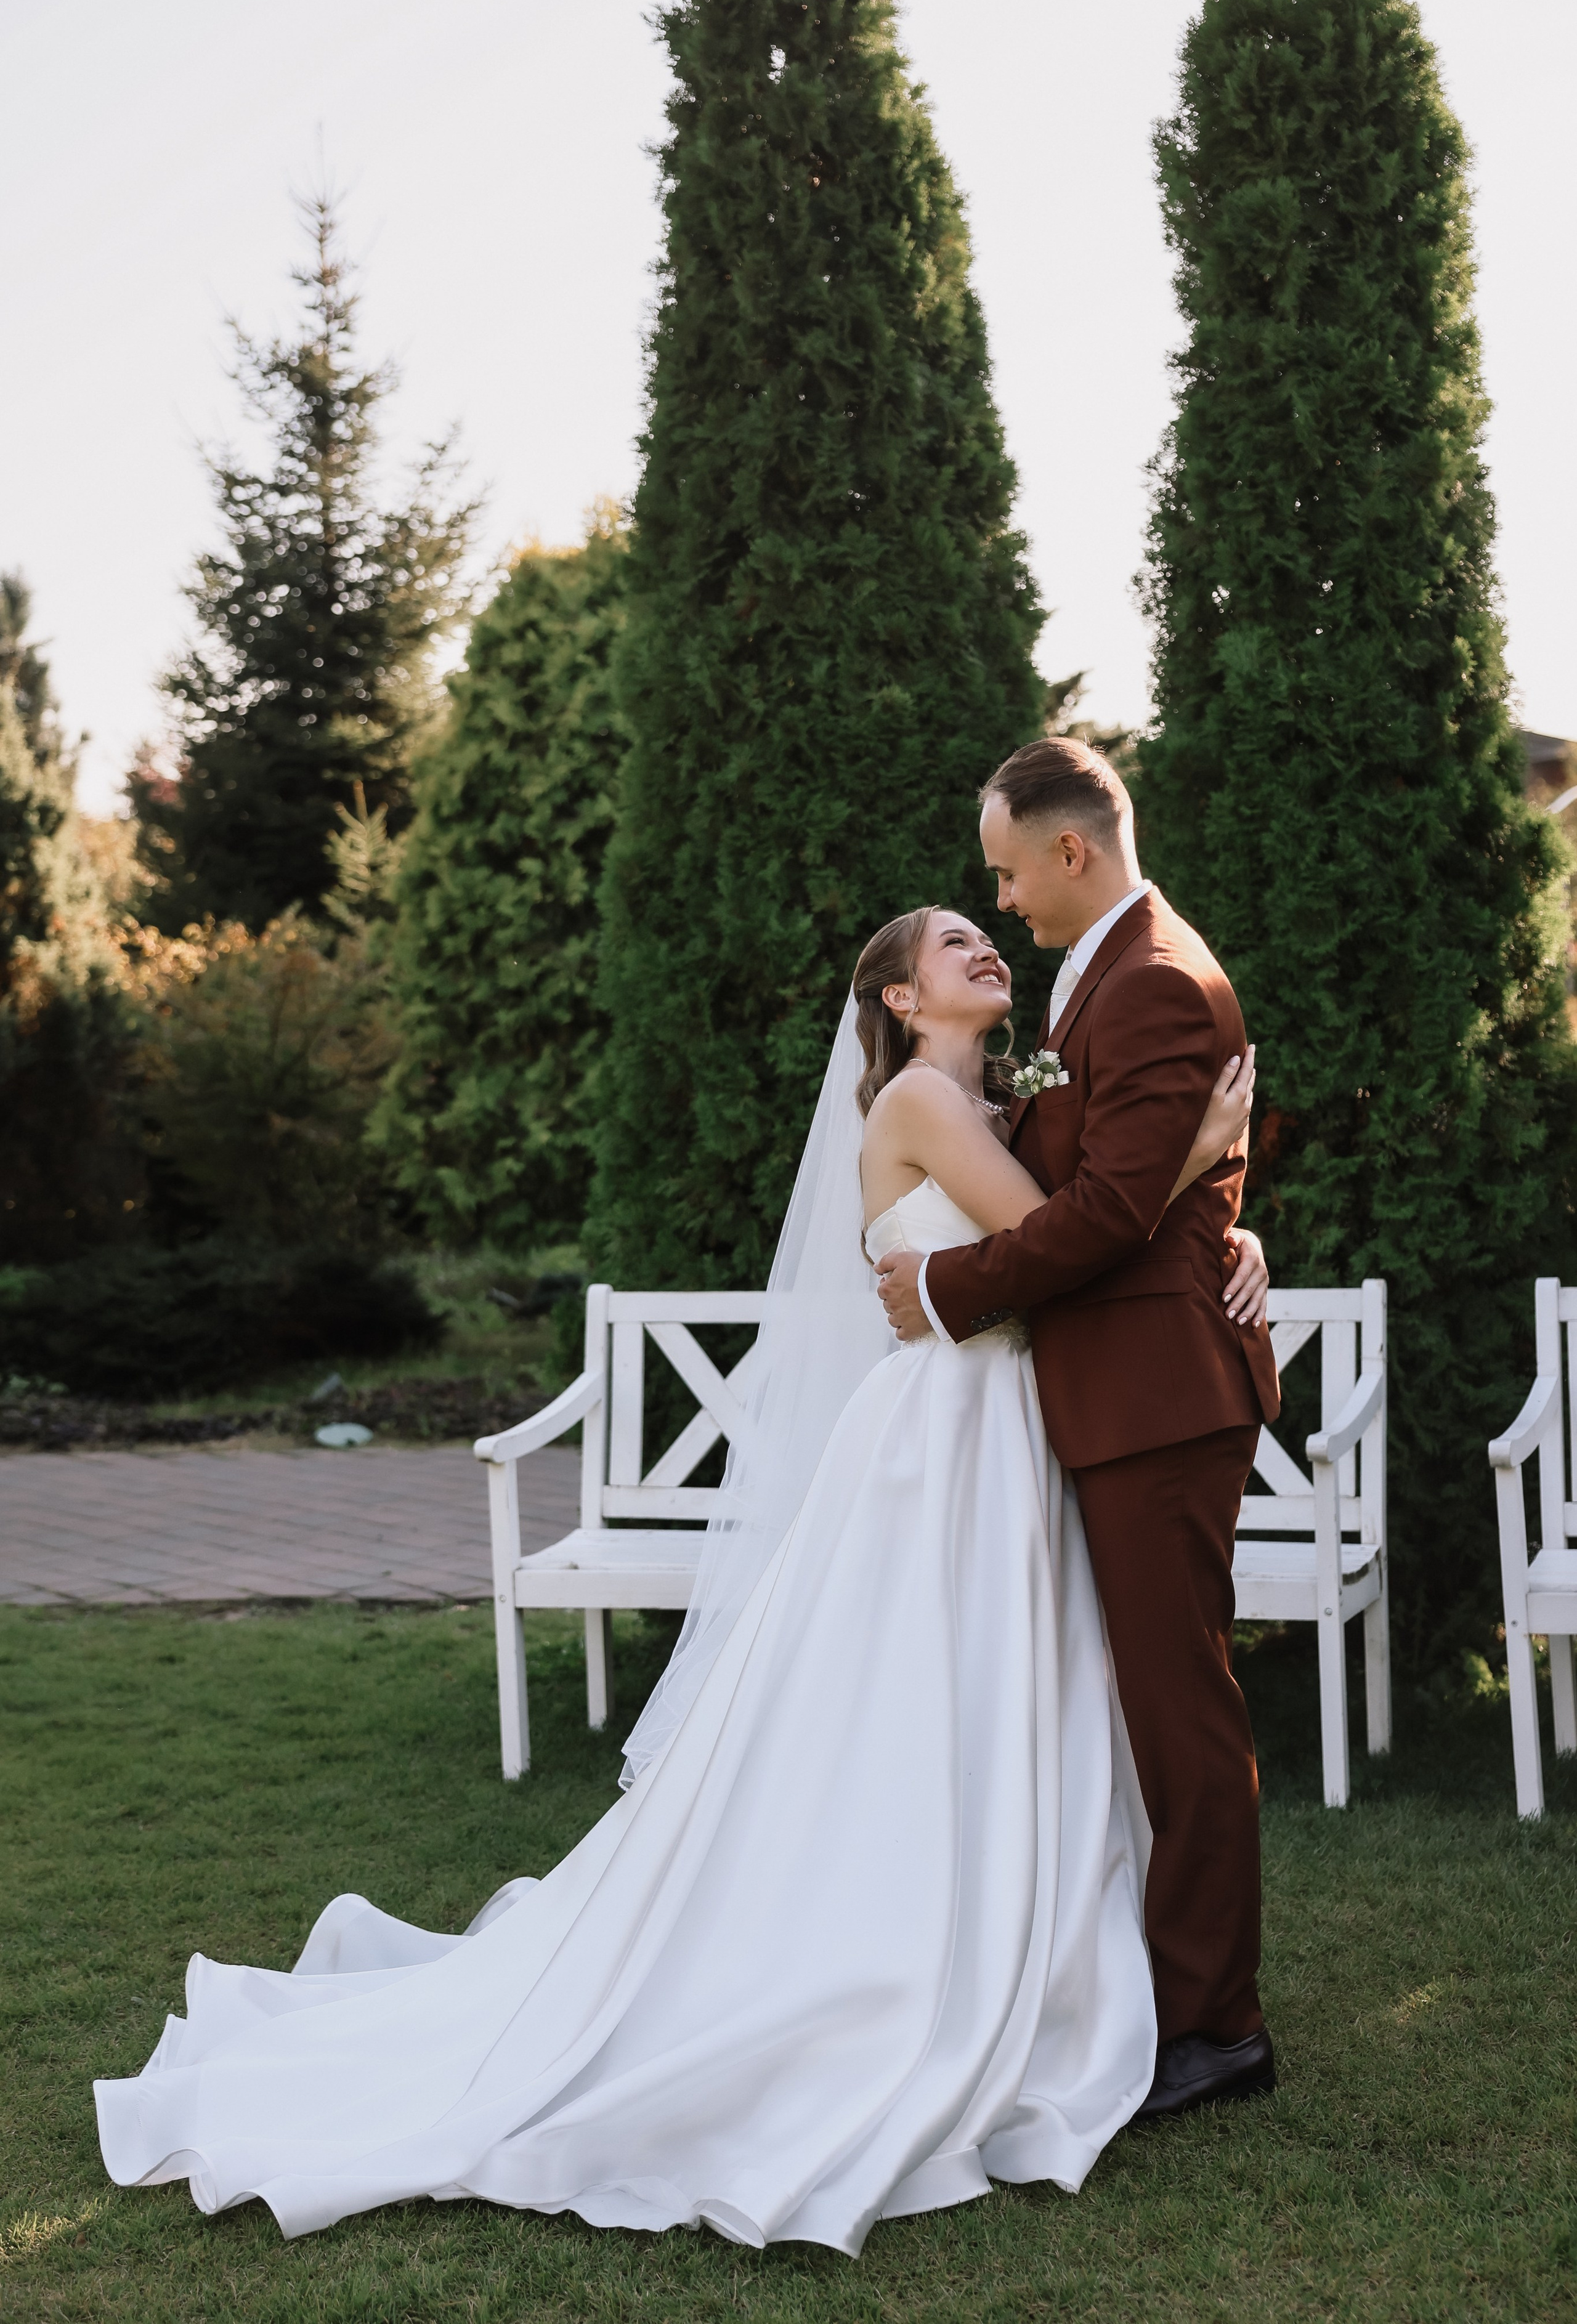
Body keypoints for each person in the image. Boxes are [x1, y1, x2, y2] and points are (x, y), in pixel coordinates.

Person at [95, 897, 1264, 2254]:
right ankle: (914, 1957)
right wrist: (1194, 1160)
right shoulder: (926, 1111)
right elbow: (1070, 1240)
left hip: (1005, 1436)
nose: (983, 949)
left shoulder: (992, 1102)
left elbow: (1078, 1225)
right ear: (897, 1001)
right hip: (943, 1447)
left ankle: (1033, 1946)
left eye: (981, 935)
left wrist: (1223, 1233)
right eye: (952, 945)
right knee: (924, 1701)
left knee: (1002, 1695)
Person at [875, 737, 1282, 2121]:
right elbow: (1108, 1181)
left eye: (1004, 873)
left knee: (1177, 1711)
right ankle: (1148, 1986)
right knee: (1143, 1705)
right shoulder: (1098, 973)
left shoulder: (1153, 979)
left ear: (1069, 850)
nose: (999, 904)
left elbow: (1104, 1218)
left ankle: (1214, 2027)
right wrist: (1207, 1197)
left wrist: (937, 1286)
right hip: (1113, 1387)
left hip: (1155, 1396)